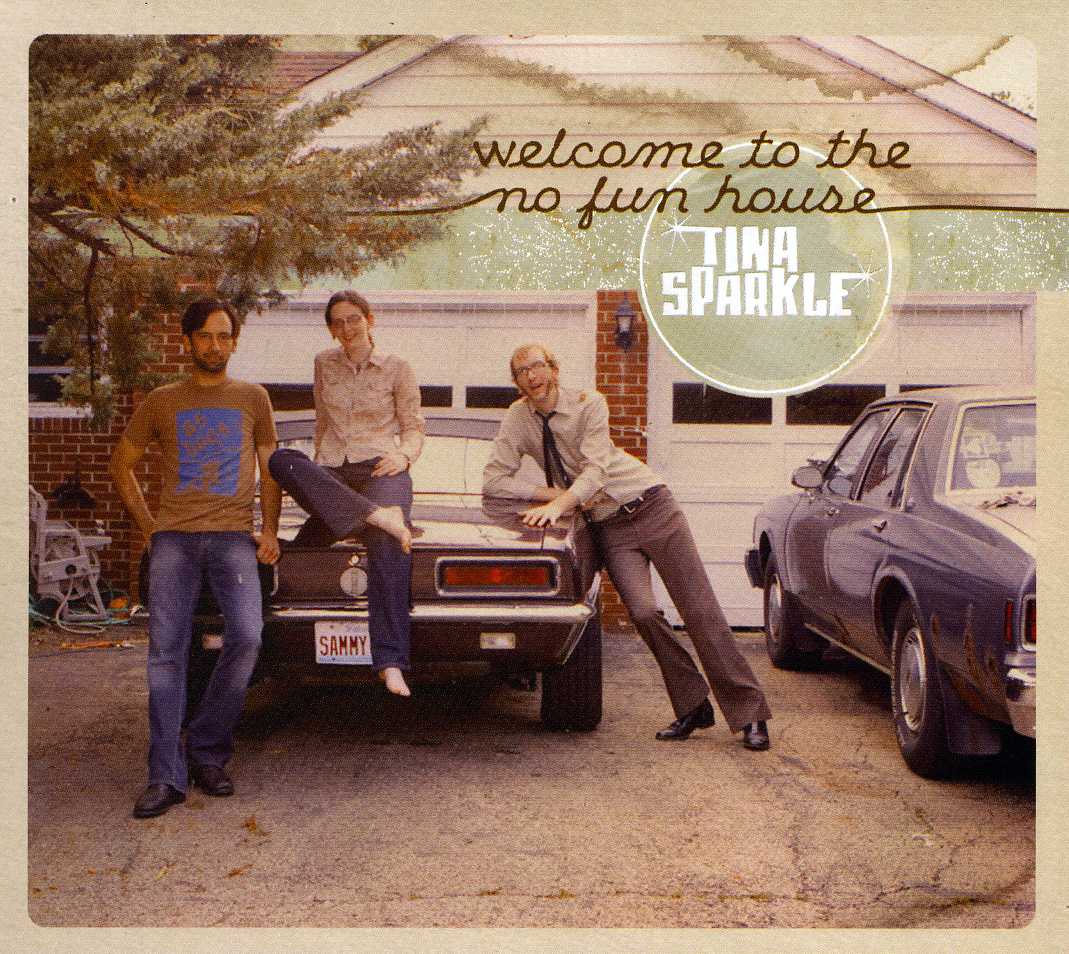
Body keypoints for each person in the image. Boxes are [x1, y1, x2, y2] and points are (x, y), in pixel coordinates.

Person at [483, 344, 773, 750]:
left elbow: (596, 471)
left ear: (554, 369)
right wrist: (548, 493)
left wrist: (559, 505)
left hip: (651, 506)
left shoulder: (588, 404)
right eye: (521, 371)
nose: (531, 376)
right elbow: (494, 480)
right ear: (516, 382)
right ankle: (693, 704)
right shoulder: (518, 417)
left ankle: (750, 714)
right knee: (643, 611)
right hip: (608, 525)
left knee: (699, 609)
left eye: (537, 366)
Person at [111, 298, 283, 819]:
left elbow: (271, 469)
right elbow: (122, 463)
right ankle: (165, 776)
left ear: (235, 341)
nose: (214, 345)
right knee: (167, 653)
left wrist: (269, 530)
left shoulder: (253, 398)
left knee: (248, 637)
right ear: (187, 340)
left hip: (233, 538)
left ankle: (207, 750)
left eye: (223, 335)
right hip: (175, 540)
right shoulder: (163, 400)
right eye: (204, 336)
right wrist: (149, 527)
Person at [267, 290, 422, 698]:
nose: (347, 328)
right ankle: (377, 515)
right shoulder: (323, 363)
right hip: (333, 471)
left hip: (381, 468)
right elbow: (322, 423)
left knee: (388, 542)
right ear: (331, 329)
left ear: (370, 320)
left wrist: (404, 456)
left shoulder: (398, 367)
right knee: (282, 459)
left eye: (354, 319)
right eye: (338, 322)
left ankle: (390, 661)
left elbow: (413, 427)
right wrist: (318, 479)